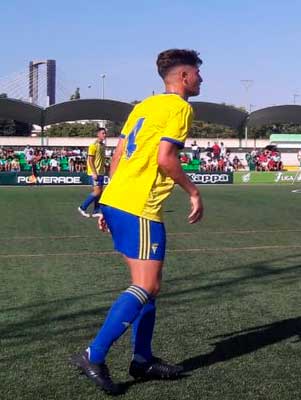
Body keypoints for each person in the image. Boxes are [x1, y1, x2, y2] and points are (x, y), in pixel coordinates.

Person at [70, 49, 204, 395]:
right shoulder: (180, 107)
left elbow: (117, 153)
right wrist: (193, 191)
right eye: (198, 74)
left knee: (149, 287)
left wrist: (105, 204)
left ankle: (142, 360)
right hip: (139, 206)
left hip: (118, 200)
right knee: (146, 286)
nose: (201, 80)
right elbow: (166, 158)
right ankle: (93, 354)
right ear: (185, 77)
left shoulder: (144, 106)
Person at [78, 128, 107, 218]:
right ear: (98, 134)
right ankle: (82, 207)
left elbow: (101, 159)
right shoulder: (93, 145)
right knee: (97, 191)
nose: (105, 135)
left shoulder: (103, 145)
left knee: (99, 191)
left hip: (101, 172)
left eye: (105, 133)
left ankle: (96, 211)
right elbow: (90, 160)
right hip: (95, 172)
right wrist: (94, 173)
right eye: (103, 133)